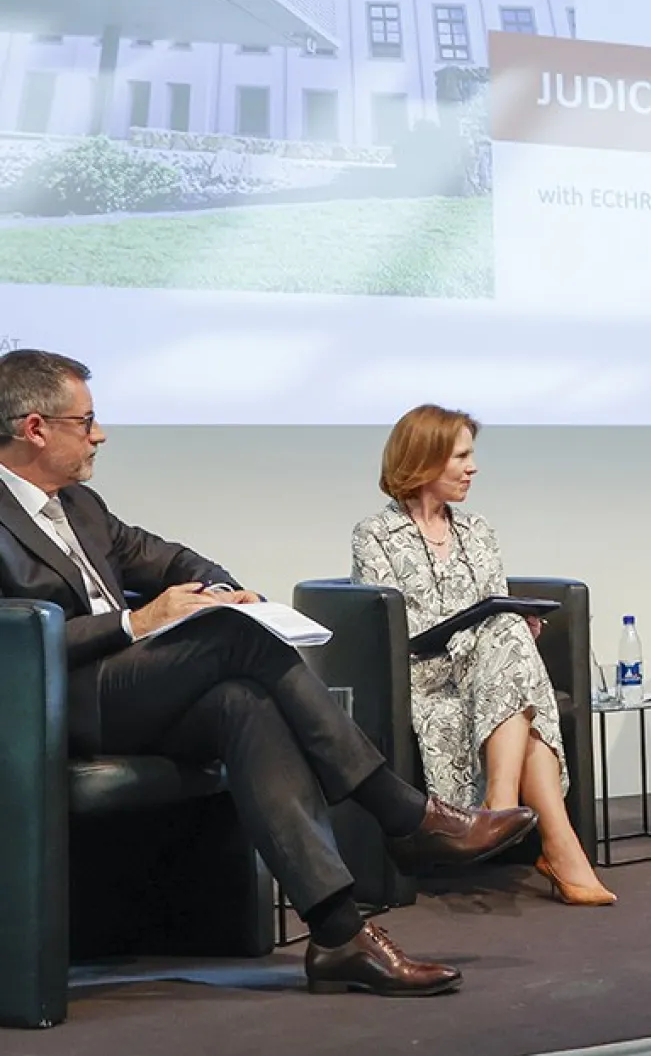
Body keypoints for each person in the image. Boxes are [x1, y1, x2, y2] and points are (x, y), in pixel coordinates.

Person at [0, 350, 536, 997]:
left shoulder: (81, 507)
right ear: (35, 428)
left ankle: (340, 934)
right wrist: (131, 626)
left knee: (242, 702)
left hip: (125, 692)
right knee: (229, 639)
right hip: (45, 702)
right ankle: (402, 813)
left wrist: (223, 588)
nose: (100, 435)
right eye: (86, 422)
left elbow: (173, 558)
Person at [352, 405, 613, 905]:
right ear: (424, 458)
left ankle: (498, 807)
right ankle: (559, 848)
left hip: (485, 670)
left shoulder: (478, 530)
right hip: (420, 674)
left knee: (510, 632)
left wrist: (516, 621)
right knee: (515, 670)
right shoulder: (375, 534)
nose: (473, 468)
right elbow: (389, 628)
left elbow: (493, 600)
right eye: (461, 456)